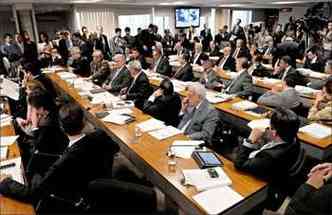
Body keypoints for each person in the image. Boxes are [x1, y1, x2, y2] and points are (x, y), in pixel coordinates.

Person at [0, 102, 118, 213]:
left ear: (61, 127)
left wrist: (6, 182)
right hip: (102, 183)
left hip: (76, 197)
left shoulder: (64, 161)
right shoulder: (100, 135)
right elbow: (115, 148)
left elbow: (33, 194)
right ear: (84, 122)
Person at [234, 107, 303, 185]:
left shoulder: (269, 156)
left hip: (265, 180)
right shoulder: (293, 137)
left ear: (274, 132)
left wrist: (250, 140)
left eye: (269, 126)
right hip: (278, 169)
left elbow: (240, 165)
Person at [20, 90, 69, 177]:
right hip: (58, 144)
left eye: (34, 108)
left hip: (52, 153)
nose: (34, 111)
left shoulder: (46, 124)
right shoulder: (55, 108)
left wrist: (34, 127)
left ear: (42, 108)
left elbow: (38, 145)